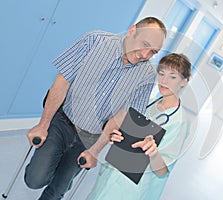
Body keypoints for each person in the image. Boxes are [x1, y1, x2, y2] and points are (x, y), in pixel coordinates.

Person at [24, 16, 167, 200]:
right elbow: (61, 83)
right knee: (35, 180)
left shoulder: (146, 74)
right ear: (132, 31)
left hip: (90, 137)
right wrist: (43, 125)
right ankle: (50, 164)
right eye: (144, 44)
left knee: (58, 191)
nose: (145, 55)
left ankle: (60, 175)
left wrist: (95, 151)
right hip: (62, 122)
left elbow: (121, 115)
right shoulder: (94, 41)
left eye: (152, 52)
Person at [87, 53, 192, 200]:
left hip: (133, 190)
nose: (164, 81)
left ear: (184, 81)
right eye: (161, 74)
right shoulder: (148, 102)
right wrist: (116, 136)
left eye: (172, 77)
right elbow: (125, 136)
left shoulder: (179, 121)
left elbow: (162, 171)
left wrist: (153, 152)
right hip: (111, 175)